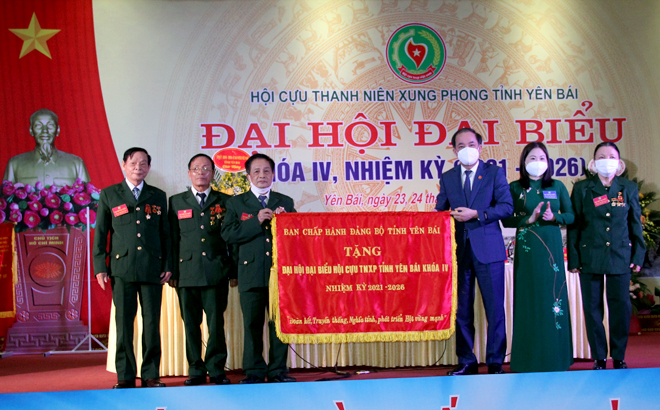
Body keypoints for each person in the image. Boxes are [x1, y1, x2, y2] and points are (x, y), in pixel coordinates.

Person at [435, 127, 513, 375]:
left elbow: (506, 207)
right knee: (462, 310)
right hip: (458, 253)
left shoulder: (493, 173)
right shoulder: (448, 177)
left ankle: (495, 361)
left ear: (480, 147)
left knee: (494, 309)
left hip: (488, 250)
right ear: (454, 150)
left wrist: (478, 214)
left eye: (471, 144)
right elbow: (440, 212)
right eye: (460, 145)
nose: (466, 149)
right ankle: (467, 361)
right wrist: (445, 216)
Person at [93, 147, 171, 389]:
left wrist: (167, 264)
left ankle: (150, 375)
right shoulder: (109, 194)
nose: (139, 167)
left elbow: (165, 234)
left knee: (151, 325)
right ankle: (125, 376)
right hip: (121, 268)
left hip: (152, 268)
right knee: (124, 324)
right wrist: (100, 266)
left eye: (144, 163)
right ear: (124, 165)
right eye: (134, 162)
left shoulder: (158, 195)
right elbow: (101, 233)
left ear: (149, 167)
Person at [568, 142, 645, 370]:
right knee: (592, 309)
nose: (606, 159)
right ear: (593, 162)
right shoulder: (583, 188)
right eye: (601, 156)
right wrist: (574, 259)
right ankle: (599, 357)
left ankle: (619, 356)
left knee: (621, 307)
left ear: (619, 162)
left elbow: (635, 225)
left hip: (620, 255)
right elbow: (576, 225)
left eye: (611, 155)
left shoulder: (627, 188)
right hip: (590, 255)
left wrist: (638, 256)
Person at [221, 153, 296, 384]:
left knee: (278, 326)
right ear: (248, 175)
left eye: (266, 171)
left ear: (273, 174)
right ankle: (253, 371)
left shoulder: (285, 201)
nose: (262, 175)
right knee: (252, 325)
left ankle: (278, 371)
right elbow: (228, 234)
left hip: (278, 275)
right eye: (256, 171)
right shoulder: (236, 202)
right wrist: (256, 220)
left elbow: (295, 237)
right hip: (249, 274)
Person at [503, 142, 574, 372]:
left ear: (548, 161)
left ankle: (557, 357)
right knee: (529, 299)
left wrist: (555, 218)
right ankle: (527, 359)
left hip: (551, 245)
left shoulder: (557, 186)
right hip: (527, 245)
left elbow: (572, 216)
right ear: (524, 163)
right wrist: (528, 220)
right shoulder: (515, 188)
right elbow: (505, 218)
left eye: (541, 157)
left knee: (553, 298)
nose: (537, 162)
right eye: (532, 158)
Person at [168, 154, 238, 386]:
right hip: (185, 273)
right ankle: (195, 369)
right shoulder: (176, 201)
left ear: (212, 173)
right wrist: (171, 271)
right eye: (196, 168)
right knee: (190, 324)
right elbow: (172, 239)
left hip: (216, 271)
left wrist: (233, 271)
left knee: (216, 324)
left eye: (206, 168)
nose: (201, 172)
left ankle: (216, 368)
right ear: (189, 173)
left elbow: (231, 241)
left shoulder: (225, 201)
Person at [3, 108, 90, 186]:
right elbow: (5, 200)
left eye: (50, 125)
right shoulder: (14, 164)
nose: (45, 131)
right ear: (31, 130)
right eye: (38, 126)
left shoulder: (76, 164)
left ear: (58, 130)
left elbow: (88, 200)